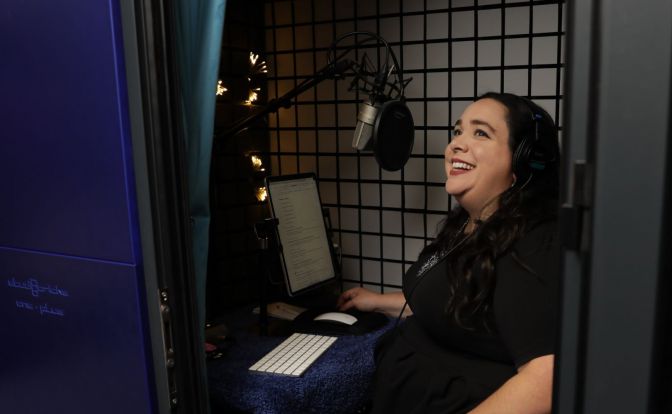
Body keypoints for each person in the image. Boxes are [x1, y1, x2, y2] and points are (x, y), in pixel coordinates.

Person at [337, 92, 561, 414]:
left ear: (524, 160)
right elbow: (460, 305)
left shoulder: (533, 244)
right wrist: (378, 301)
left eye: (480, 133)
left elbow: (545, 379)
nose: (456, 144)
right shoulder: (469, 224)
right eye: (458, 131)